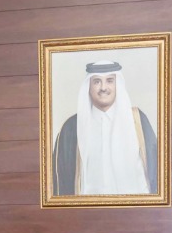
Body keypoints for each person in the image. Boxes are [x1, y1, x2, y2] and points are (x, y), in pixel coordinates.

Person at [52, 61, 158, 196]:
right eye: (97, 82)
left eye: (109, 81)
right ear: (88, 87)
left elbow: (156, 171)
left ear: (117, 85)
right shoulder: (71, 128)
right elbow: (61, 182)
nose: (103, 88)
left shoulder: (138, 121)